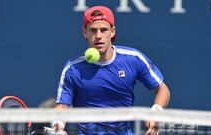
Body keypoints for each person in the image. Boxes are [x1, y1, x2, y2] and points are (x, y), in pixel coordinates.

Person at [52, 5, 170, 135]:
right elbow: (62, 106)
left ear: (112, 32)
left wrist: (155, 113)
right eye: (93, 30)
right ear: (85, 32)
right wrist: (58, 128)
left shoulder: (133, 59)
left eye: (104, 30)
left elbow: (162, 89)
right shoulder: (72, 69)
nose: (98, 36)